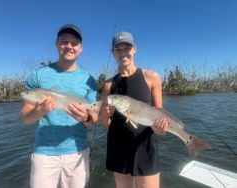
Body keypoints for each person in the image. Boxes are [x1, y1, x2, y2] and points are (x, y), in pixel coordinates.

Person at [20, 24, 98, 188]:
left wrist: (86, 117)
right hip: (44, 154)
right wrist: (38, 111)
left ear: (81, 48)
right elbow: (25, 118)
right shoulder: (38, 75)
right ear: (56, 44)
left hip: (77, 152)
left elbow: (93, 120)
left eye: (74, 43)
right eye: (64, 42)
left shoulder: (89, 80)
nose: (69, 46)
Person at [99, 31, 169, 188]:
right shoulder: (108, 84)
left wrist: (160, 129)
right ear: (113, 52)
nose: (123, 53)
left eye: (127, 48)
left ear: (134, 49)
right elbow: (105, 123)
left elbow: (160, 115)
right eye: (118, 49)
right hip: (118, 146)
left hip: (145, 146)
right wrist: (104, 115)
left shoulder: (152, 77)